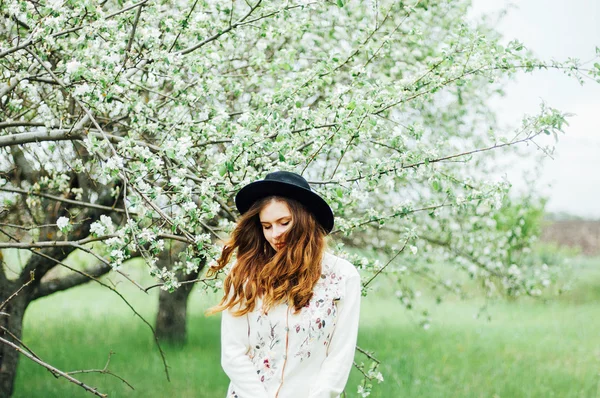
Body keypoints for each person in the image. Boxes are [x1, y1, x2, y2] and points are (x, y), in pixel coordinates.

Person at [206, 171, 361, 398]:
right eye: (266, 226)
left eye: (284, 223)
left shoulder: (343, 276)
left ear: (305, 220)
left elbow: (339, 355)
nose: (274, 234)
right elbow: (233, 353)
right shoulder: (245, 273)